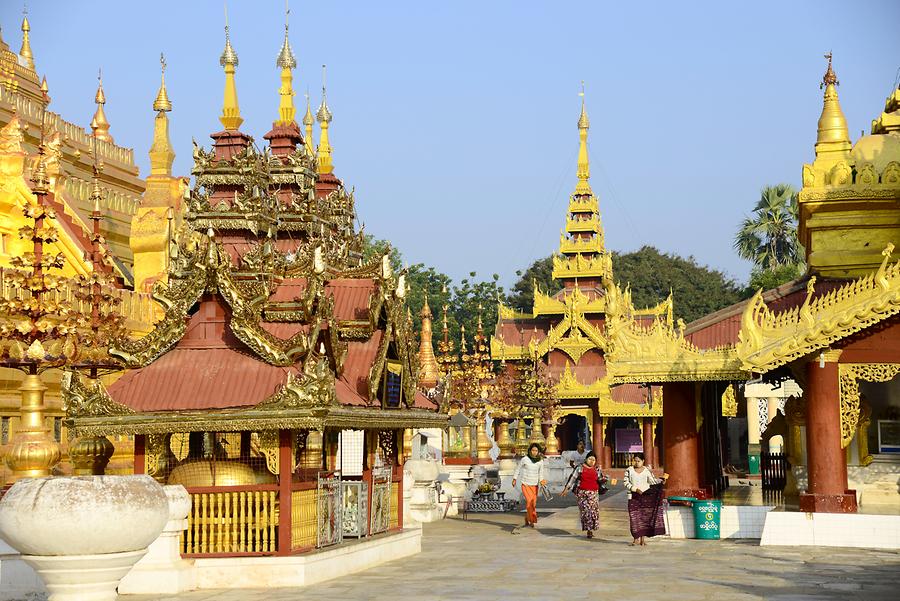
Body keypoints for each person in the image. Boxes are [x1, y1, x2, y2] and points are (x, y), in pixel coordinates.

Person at [622, 453, 669, 546]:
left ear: (643, 461)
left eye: (638, 461)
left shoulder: (647, 471)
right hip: (633, 496)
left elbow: (653, 482)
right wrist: (635, 489)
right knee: (634, 517)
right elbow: (626, 482)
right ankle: (635, 538)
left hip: (645, 497)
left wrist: (662, 482)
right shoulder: (629, 470)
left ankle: (643, 539)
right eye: (634, 460)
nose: (636, 462)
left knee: (644, 517)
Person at [561, 451, 606, 538]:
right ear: (586, 459)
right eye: (590, 459)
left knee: (593, 511)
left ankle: (590, 530)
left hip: (594, 493)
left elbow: (600, 479)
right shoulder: (579, 468)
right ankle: (588, 529)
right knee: (585, 512)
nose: (591, 461)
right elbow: (572, 479)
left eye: (593, 460)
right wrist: (566, 489)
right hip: (582, 493)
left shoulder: (597, 469)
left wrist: (606, 479)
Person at [511, 443, 547, 529]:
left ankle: (527, 518)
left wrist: (542, 481)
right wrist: (514, 478)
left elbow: (540, 474)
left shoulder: (540, 461)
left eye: (536, 451)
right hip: (525, 484)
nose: (534, 452)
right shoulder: (525, 459)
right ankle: (532, 520)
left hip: (535, 485)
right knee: (529, 503)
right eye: (533, 450)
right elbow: (518, 468)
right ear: (530, 451)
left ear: (538, 452)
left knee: (533, 504)